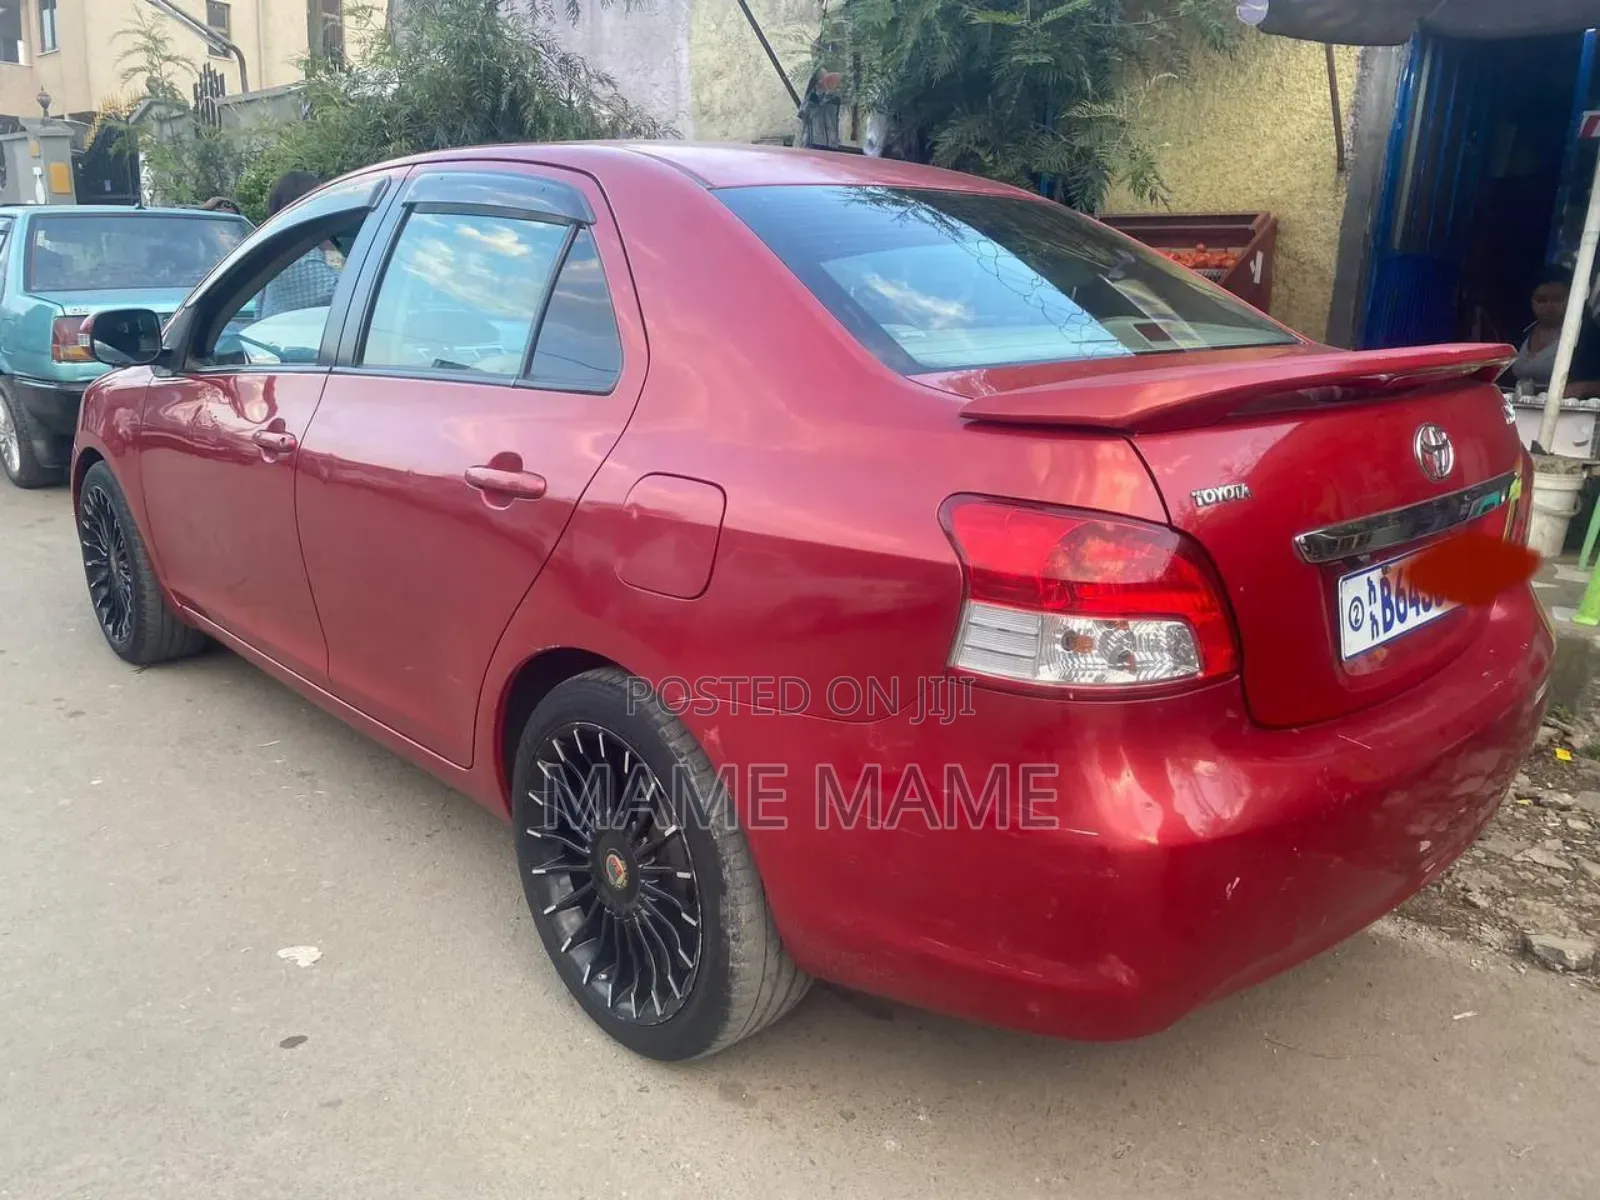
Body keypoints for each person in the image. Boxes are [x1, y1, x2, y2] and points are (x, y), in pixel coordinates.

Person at [259, 170, 342, 318]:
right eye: (322, 198)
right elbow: (341, 293)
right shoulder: (298, 252)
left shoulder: (275, 244)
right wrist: (330, 249)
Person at [1508, 267, 1600, 399]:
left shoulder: (1590, 337)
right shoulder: (1522, 333)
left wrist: (1584, 387)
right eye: (1541, 300)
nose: (1549, 306)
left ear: (1573, 298)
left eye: (1557, 299)